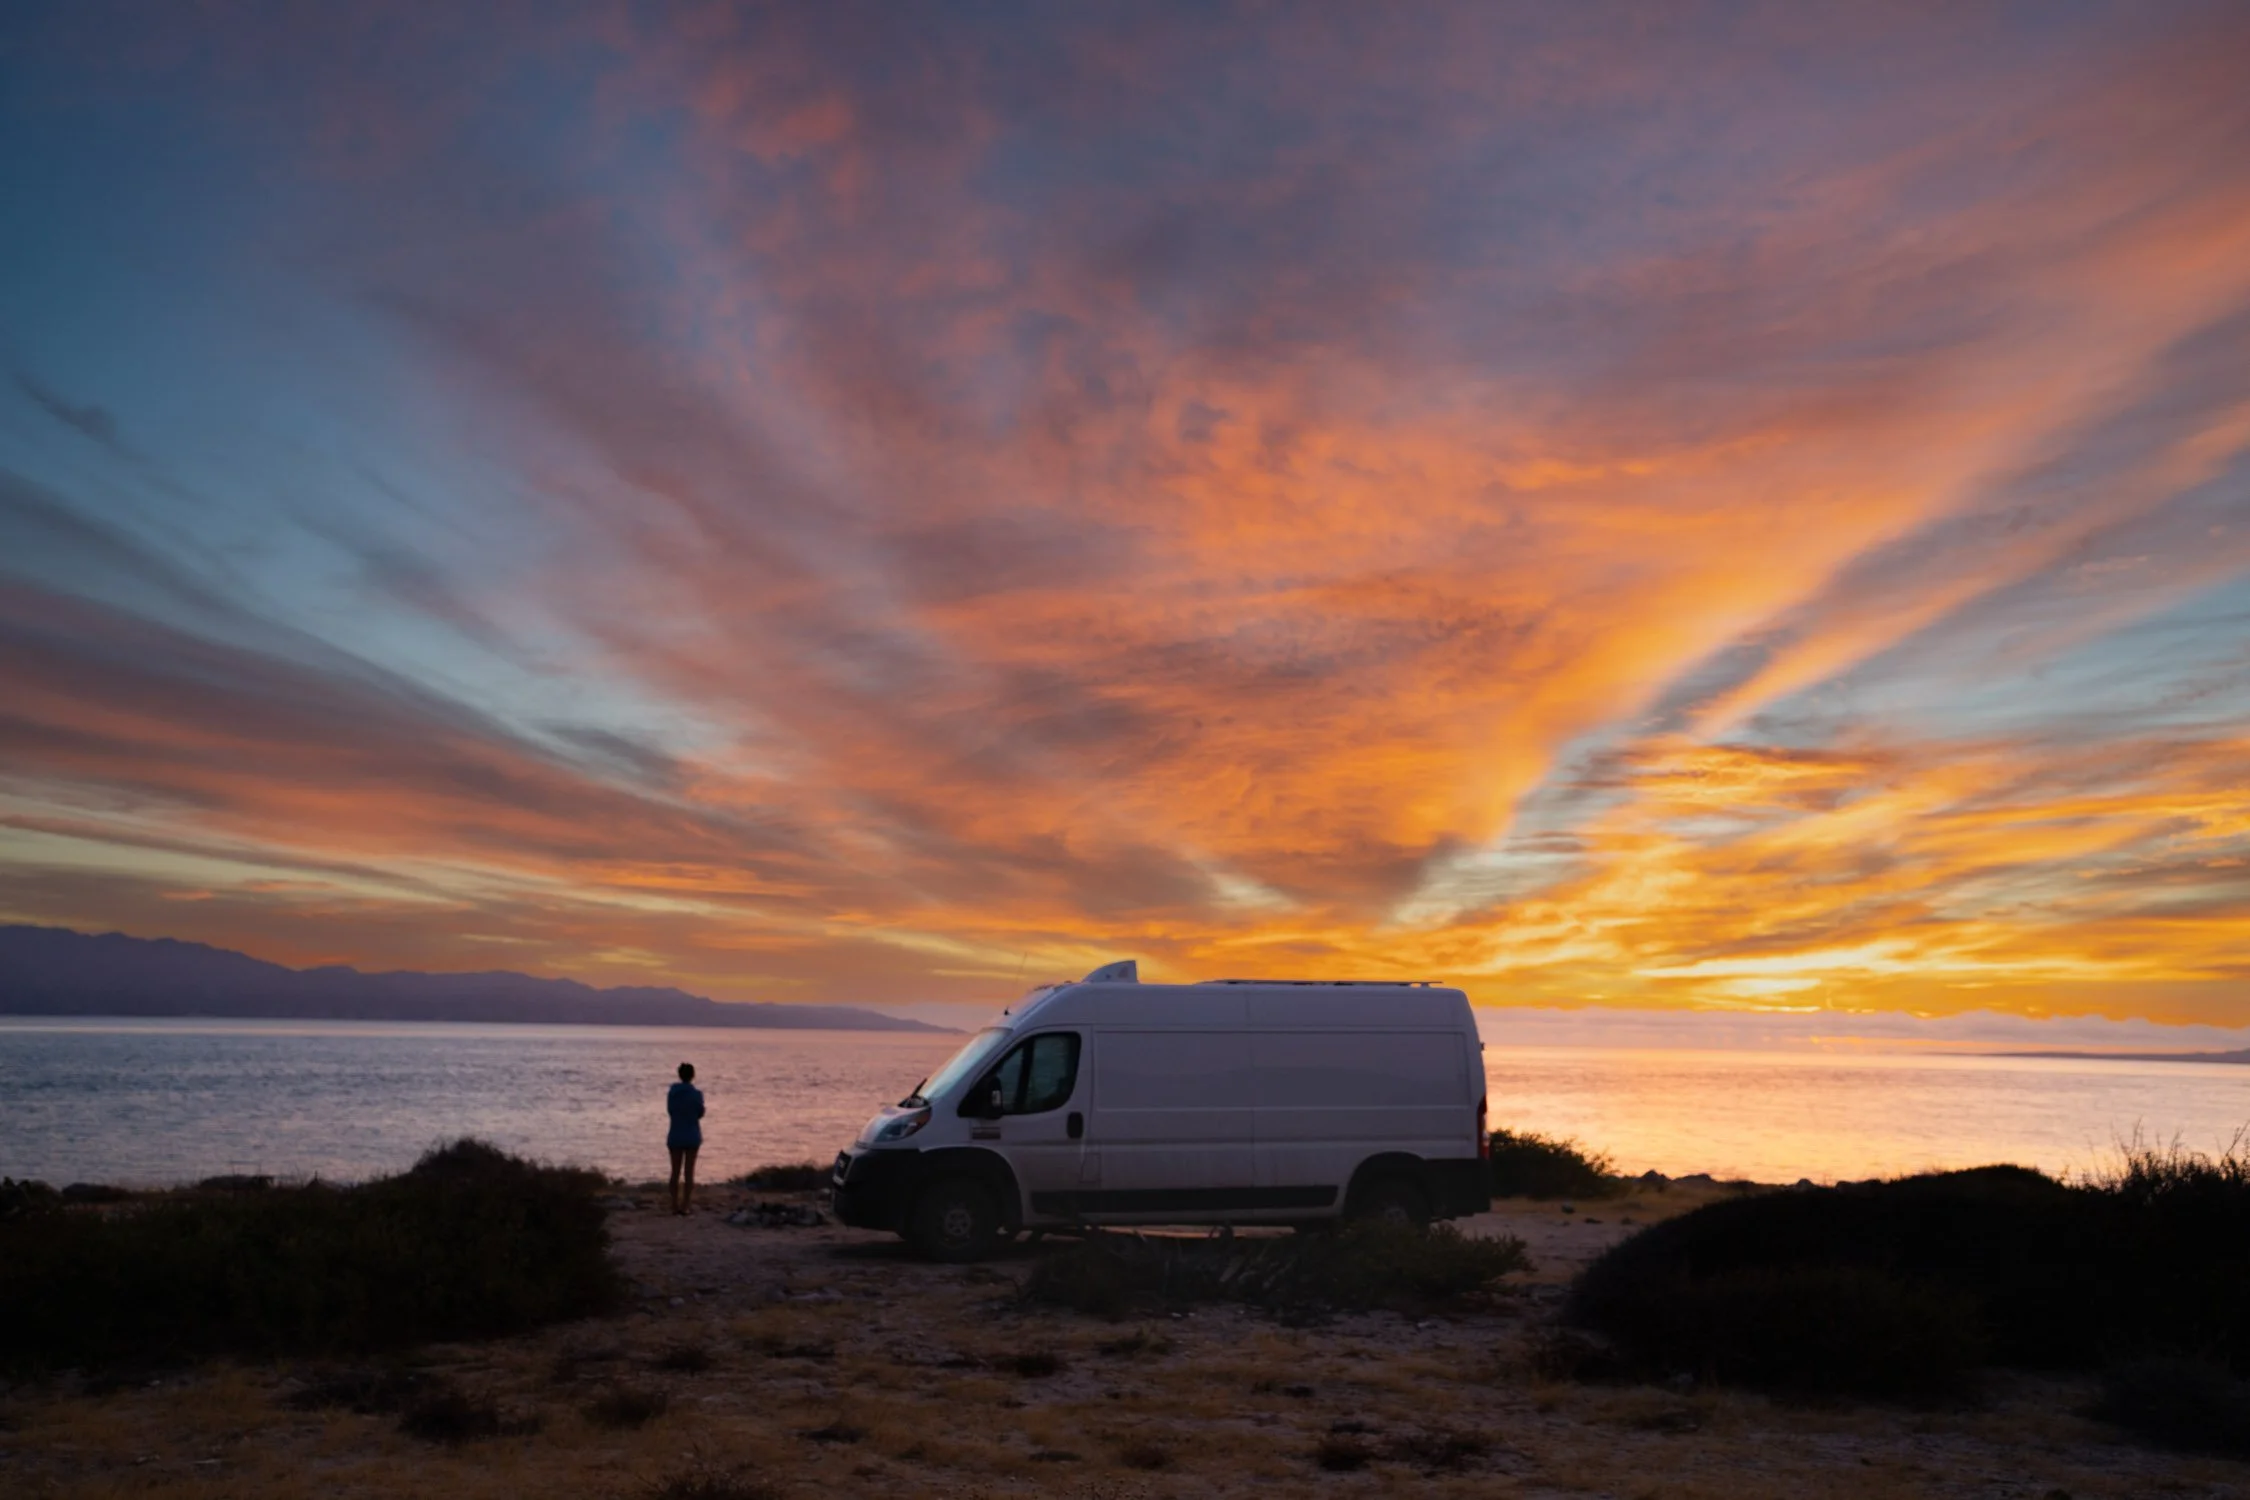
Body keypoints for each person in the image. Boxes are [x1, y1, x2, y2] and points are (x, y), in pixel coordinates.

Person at [666, 1062, 705, 1215]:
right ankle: (686, 1205)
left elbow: (670, 1111)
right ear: (692, 1075)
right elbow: (700, 1113)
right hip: (691, 1134)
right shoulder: (696, 1094)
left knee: (675, 1172)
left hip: (675, 1133)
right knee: (689, 1172)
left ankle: (674, 1204)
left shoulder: (672, 1093)